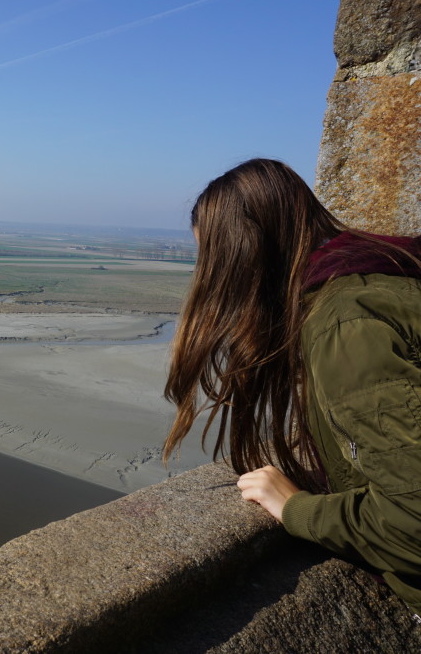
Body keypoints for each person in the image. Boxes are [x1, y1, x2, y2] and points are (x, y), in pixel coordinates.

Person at [163, 158, 421, 619]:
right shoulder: (387, 277)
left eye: (214, 260)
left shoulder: (348, 328)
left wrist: (296, 510)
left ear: (244, 254)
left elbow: (414, 523)